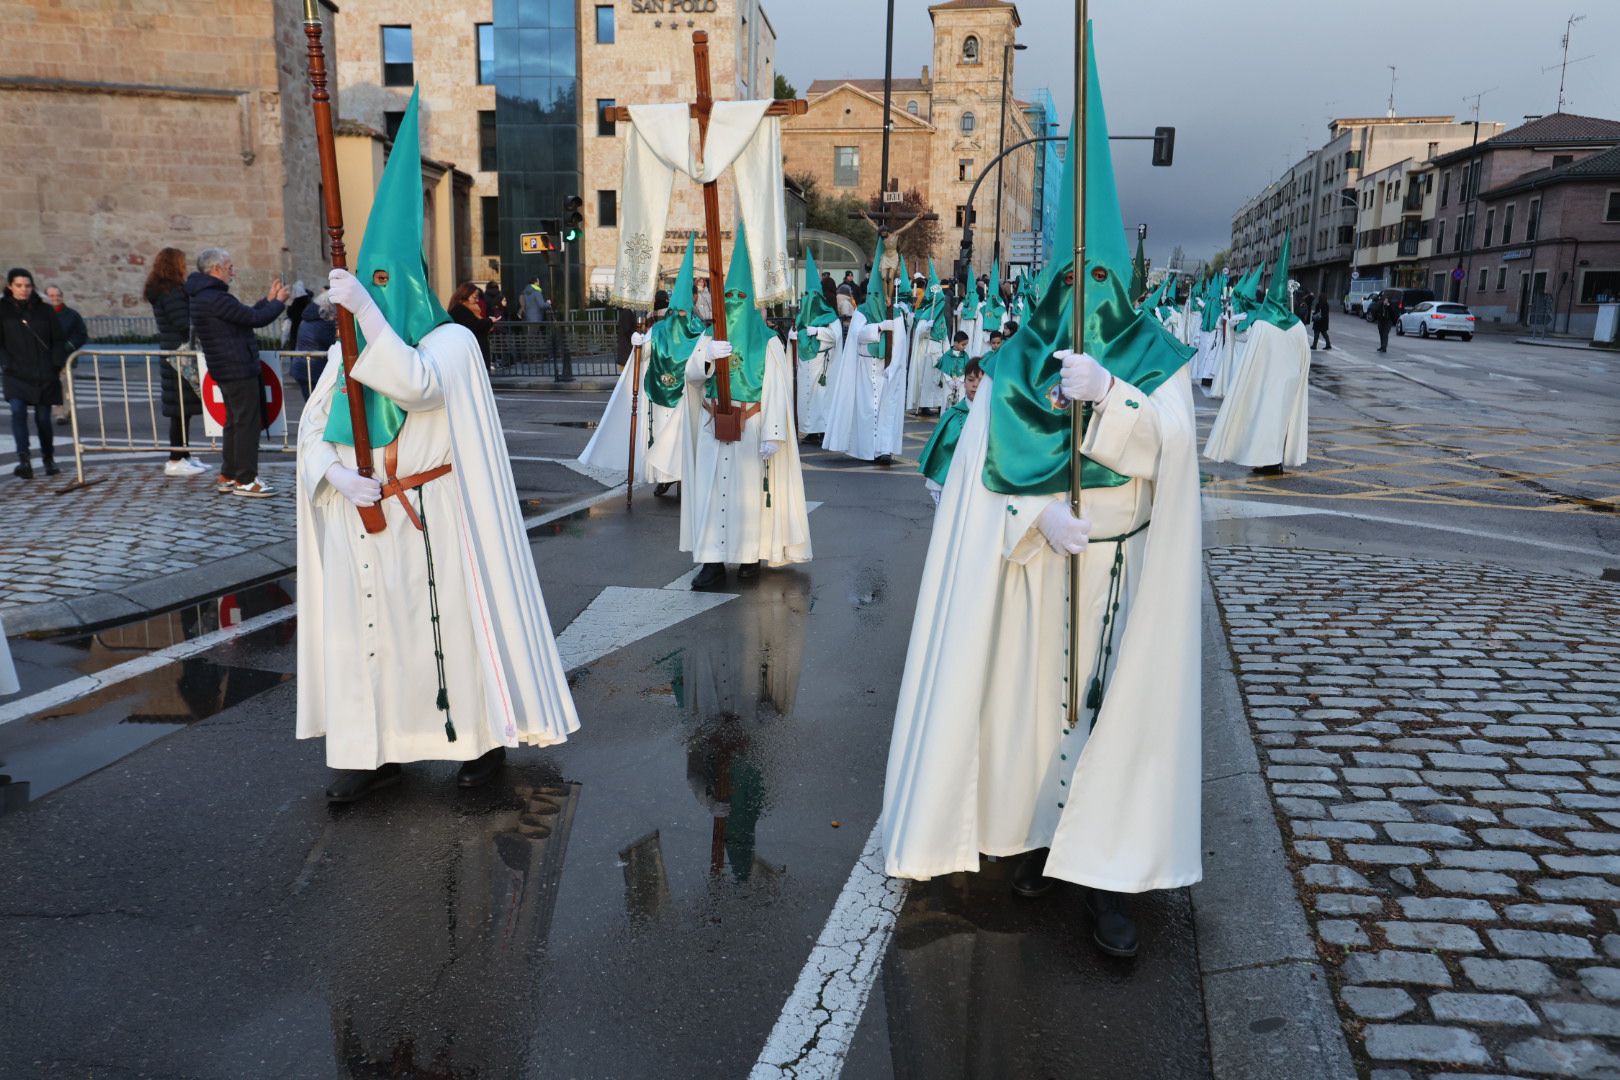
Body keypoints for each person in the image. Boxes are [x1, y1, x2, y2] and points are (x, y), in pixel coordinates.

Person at [881, 50, 1202, 959]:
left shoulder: (1156, 363)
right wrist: (1032, 520)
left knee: (1110, 723)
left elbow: (1178, 457)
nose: (1084, 304)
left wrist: (1115, 396)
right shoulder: (1011, 367)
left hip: (1120, 578)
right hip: (1033, 570)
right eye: (1070, 286)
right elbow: (975, 501)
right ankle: (1036, 844)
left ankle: (1106, 879)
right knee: (1031, 719)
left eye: (1100, 285)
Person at [296, 92, 579, 804]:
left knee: (446, 634)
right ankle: (374, 754)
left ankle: (477, 749)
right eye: (370, 283)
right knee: (375, 639)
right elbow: (314, 421)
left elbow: (417, 388)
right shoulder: (349, 347)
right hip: (370, 514)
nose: (377, 294)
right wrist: (335, 471)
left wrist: (365, 315)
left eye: (386, 282)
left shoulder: (450, 342)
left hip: (438, 510)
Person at [677, 225, 812, 590]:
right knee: (710, 493)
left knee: (747, 498)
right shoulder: (709, 335)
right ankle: (711, 562)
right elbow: (689, 376)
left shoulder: (768, 342)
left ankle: (750, 555)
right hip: (713, 423)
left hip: (750, 426)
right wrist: (706, 355)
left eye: (741, 296)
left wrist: (774, 434)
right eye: (729, 297)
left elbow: (777, 391)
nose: (734, 302)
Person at [578, 236, 704, 495]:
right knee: (659, 439)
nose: (680, 316)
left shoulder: (699, 330)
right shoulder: (658, 331)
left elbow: (704, 361)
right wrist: (639, 343)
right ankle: (665, 478)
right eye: (676, 310)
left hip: (685, 397)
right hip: (659, 396)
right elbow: (645, 354)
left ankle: (683, 480)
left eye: (684, 311)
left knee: (682, 441)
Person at [1205, 232, 1310, 474]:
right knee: (1281, 421)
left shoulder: (1262, 324)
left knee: (1264, 422)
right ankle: (1275, 460)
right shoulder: (1296, 325)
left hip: (1268, 382)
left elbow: (1252, 356)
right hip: (1289, 382)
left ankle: (1269, 461)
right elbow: (1305, 358)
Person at [186, 247, 288, 497]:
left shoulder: (206, 297)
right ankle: (245, 478)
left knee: (234, 423)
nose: (233, 271)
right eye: (230, 266)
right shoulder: (216, 298)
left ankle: (229, 474)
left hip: (226, 367)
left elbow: (245, 315)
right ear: (216, 269)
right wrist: (278, 303)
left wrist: (268, 300)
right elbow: (255, 319)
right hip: (237, 367)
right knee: (246, 425)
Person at [820, 237, 909, 466]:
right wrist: (878, 327)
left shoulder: (896, 313)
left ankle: (884, 450)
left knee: (886, 410)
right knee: (868, 410)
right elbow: (858, 334)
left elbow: (901, 344)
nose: (877, 300)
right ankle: (868, 449)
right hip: (866, 368)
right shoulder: (863, 312)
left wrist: (894, 366)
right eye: (874, 296)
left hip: (887, 369)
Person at [144, 247, 209, 477]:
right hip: (177, 355)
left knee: (183, 410)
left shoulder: (168, 291)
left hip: (175, 354)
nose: (185, 266)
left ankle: (184, 454)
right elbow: (182, 322)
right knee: (179, 410)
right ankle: (175, 458)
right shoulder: (170, 292)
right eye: (182, 262)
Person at [1, 268, 67, 479]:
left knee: (43, 419)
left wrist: (56, 364)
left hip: (43, 372)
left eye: (28, 285)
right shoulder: (2, 310)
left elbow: (58, 339)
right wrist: (5, 362)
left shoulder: (45, 310)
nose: (24, 290)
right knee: (18, 412)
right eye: (19, 285)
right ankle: (24, 459)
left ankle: (48, 458)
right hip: (15, 372)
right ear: (10, 286)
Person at [917, 356, 982, 504]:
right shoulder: (953, 417)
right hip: (954, 488)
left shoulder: (993, 417)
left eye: (980, 381)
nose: (975, 385)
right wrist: (936, 486)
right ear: (964, 382)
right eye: (971, 380)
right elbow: (941, 453)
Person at [45, 285, 87, 426]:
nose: (55, 298)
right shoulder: (41, 315)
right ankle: (58, 411)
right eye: (51, 296)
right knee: (52, 386)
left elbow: (81, 334)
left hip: (65, 357)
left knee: (65, 385)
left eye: (58, 295)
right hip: (47, 357)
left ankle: (65, 412)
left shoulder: (72, 315)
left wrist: (69, 345)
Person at [292, 289, 337, 398]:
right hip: (314, 371)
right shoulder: (324, 323)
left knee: (310, 403)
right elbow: (334, 344)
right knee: (317, 405)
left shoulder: (308, 318)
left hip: (302, 367)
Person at [448, 282, 493, 368]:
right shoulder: (459, 309)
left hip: (473, 351)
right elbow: (473, 326)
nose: (477, 300)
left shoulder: (467, 309)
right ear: (465, 295)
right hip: (469, 352)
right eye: (475, 297)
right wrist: (489, 322)